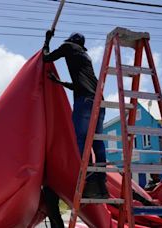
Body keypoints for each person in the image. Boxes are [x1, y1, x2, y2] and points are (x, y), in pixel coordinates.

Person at [42, 30, 108, 198]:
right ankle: (101, 184)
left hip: (85, 102)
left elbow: (46, 57)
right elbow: (80, 83)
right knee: (97, 143)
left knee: (80, 139)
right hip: (99, 101)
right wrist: (59, 82)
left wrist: (47, 40)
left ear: (71, 41)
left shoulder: (68, 46)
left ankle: (87, 180)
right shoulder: (86, 56)